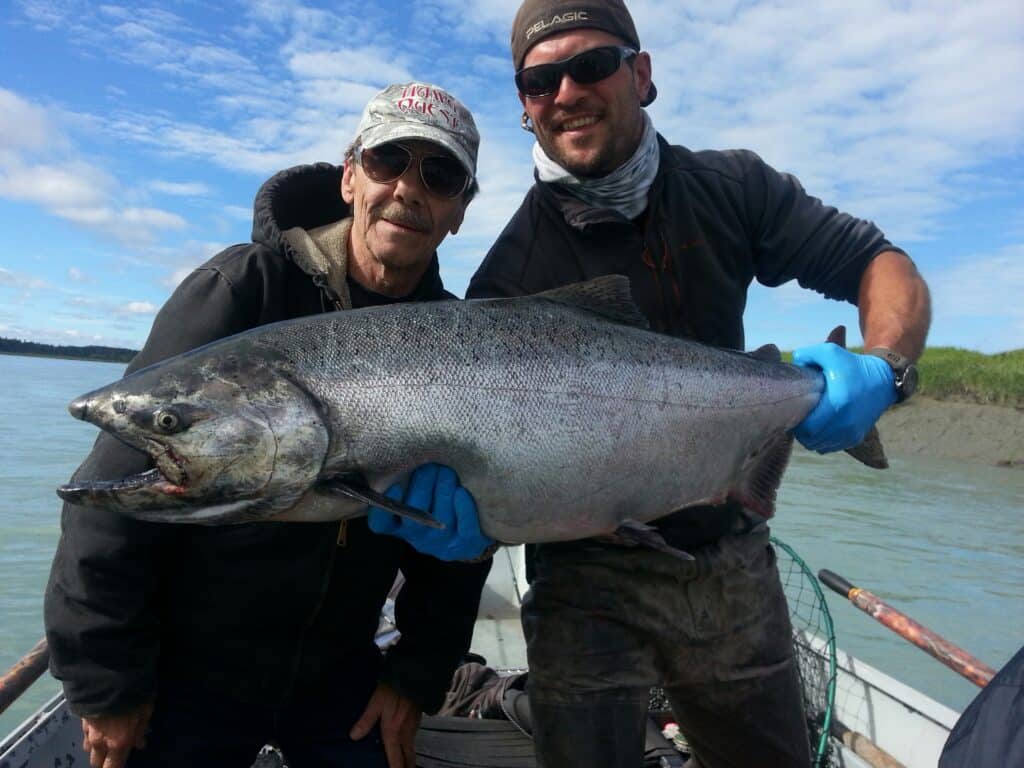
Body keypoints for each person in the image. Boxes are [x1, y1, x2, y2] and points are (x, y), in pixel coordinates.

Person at [465, 1, 932, 766]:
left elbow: (879, 264)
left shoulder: (733, 186)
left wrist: (884, 365)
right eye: (540, 80)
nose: (567, 93)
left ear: (641, 74)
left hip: (728, 555)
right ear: (523, 106)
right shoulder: (508, 278)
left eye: (592, 65)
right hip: (581, 572)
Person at [44, 81, 496, 768]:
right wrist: (105, 683)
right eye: (387, 162)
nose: (408, 187)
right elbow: (108, 502)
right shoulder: (242, 289)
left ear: (460, 210)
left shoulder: (459, 343)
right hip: (188, 670)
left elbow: (458, 544)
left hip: (342, 673)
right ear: (350, 177)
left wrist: (414, 675)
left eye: (439, 175)